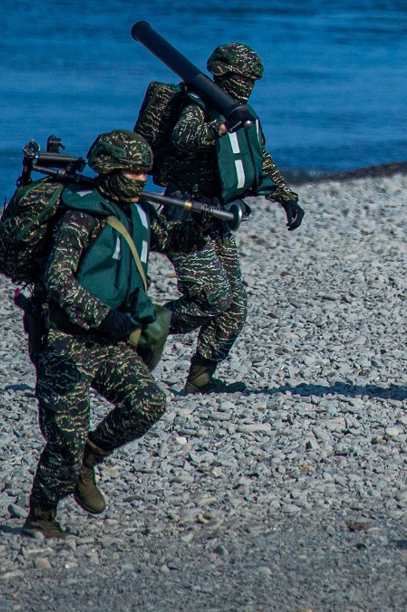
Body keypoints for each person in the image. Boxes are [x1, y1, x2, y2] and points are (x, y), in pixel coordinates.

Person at [24, 131, 171, 539]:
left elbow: (174, 240)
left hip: (108, 344)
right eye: (133, 171)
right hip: (64, 343)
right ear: (109, 169)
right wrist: (103, 318)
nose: (142, 179)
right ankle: (42, 514)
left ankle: (90, 459)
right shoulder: (80, 217)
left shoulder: (138, 214)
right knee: (64, 442)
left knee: (148, 403)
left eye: (146, 172)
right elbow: (57, 280)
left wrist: (213, 214)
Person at [158, 43, 304, 393]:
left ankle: (200, 377)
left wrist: (285, 196)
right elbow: (183, 136)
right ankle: (131, 331)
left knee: (234, 308)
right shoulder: (197, 103)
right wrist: (218, 128)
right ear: (223, 74)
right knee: (210, 298)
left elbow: (259, 157)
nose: (249, 85)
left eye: (254, 79)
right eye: (244, 77)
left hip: (218, 216)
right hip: (185, 216)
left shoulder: (243, 112)